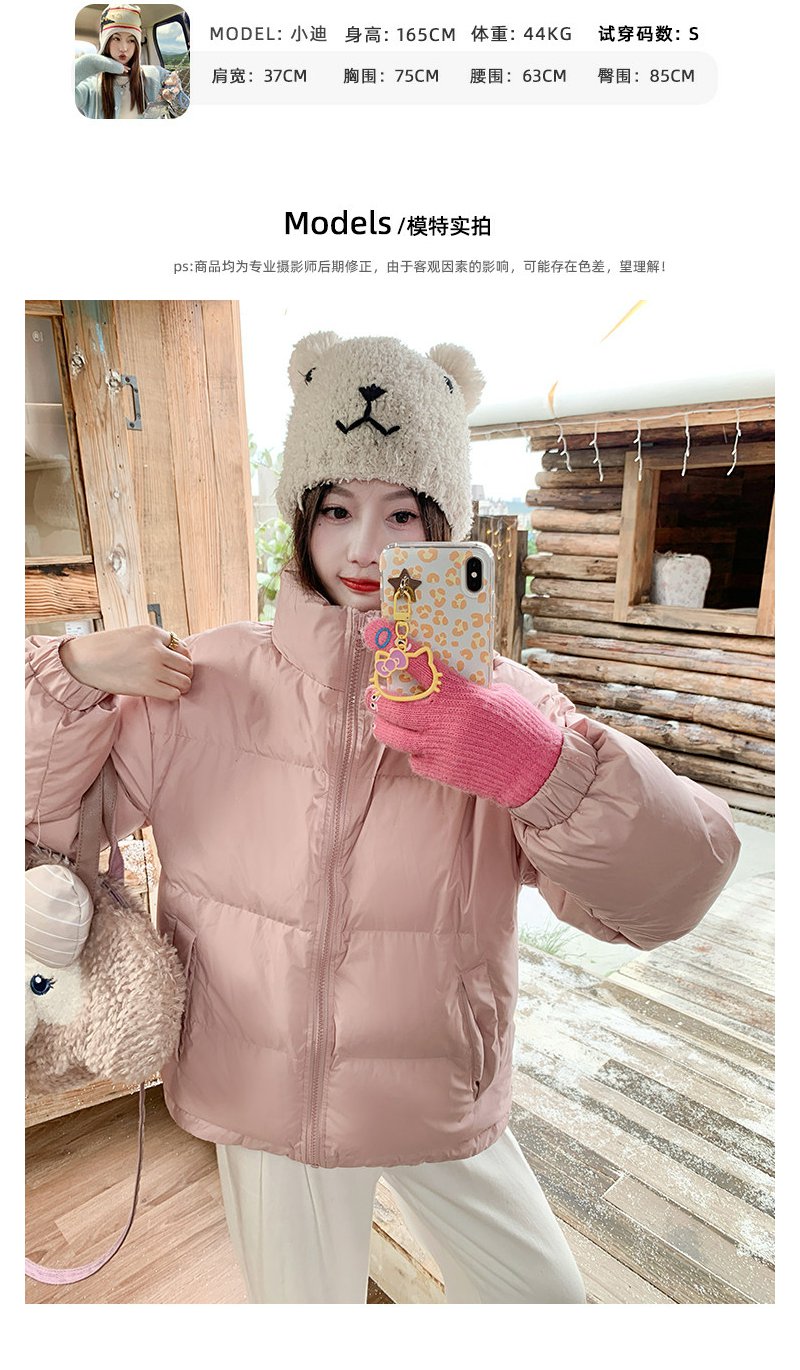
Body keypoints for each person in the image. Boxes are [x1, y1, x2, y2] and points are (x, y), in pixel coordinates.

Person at [25, 331, 741, 1305]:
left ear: (444, 527)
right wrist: (63, 676)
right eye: (337, 508)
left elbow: (675, 887)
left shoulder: (506, 702)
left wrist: (542, 769)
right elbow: (46, 831)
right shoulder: (206, 679)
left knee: (544, 1306)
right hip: (262, 1093)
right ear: (300, 519)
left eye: (401, 511)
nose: (366, 547)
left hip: (436, 1086)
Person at [74, 5, 189, 120]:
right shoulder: (90, 86)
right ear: (105, 42)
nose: (124, 48)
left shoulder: (156, 75)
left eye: (131, 40)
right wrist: (88, 63)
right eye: (116, 38)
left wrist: (174, 94)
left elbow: (182, 106)